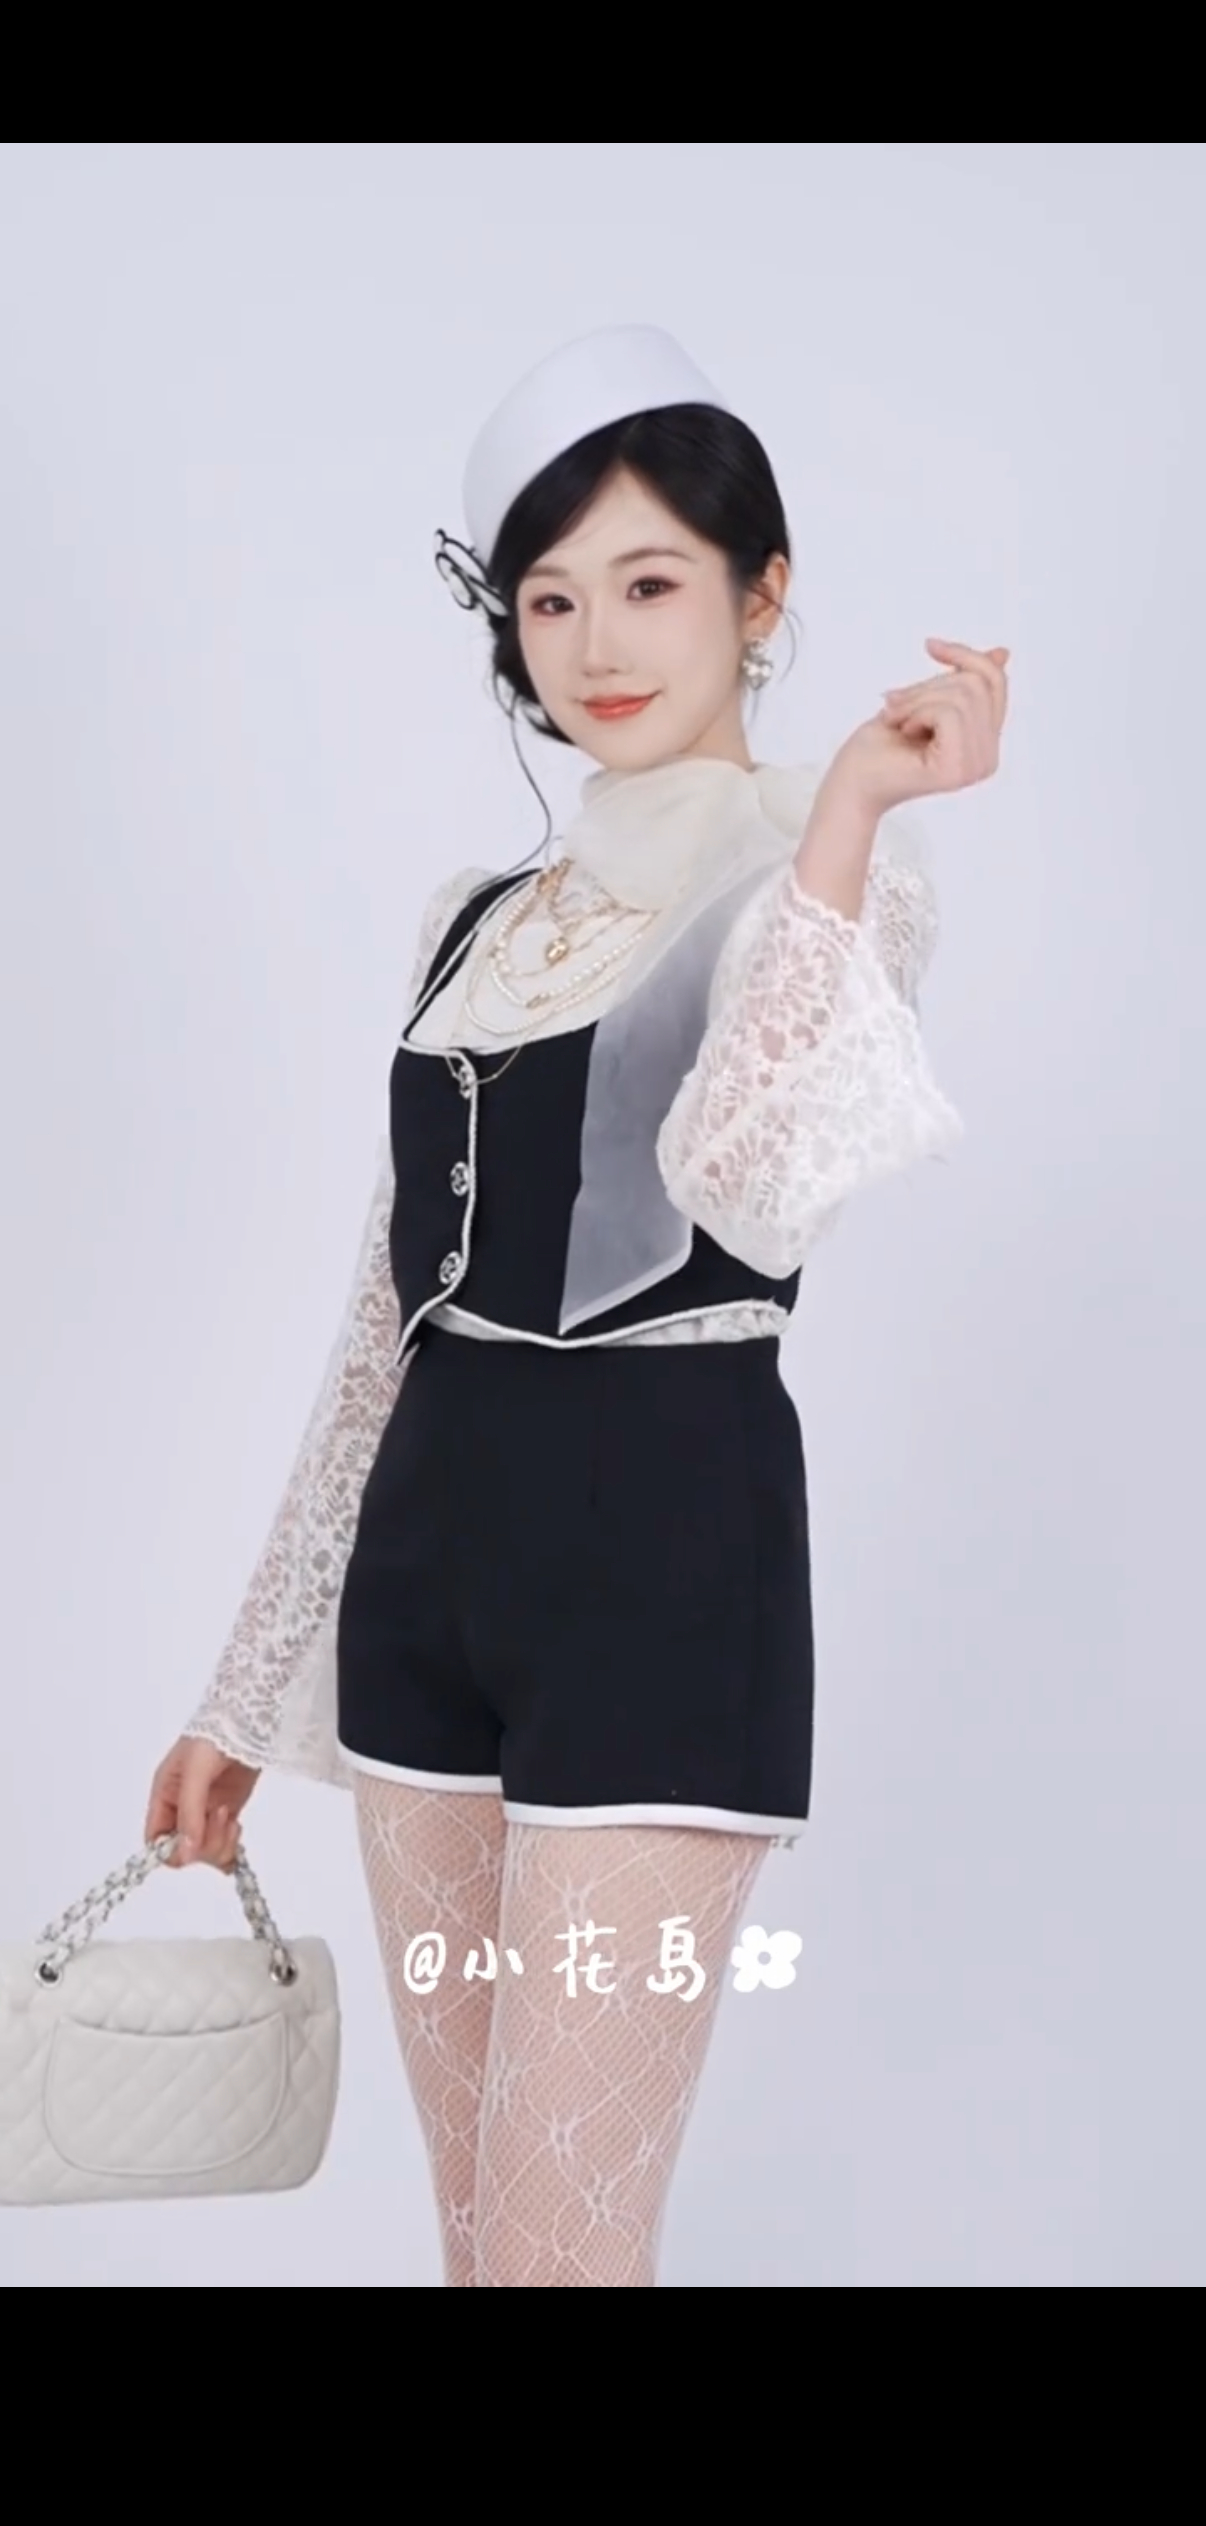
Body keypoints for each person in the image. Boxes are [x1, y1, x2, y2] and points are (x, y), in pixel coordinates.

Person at [145, 325, 1009, 2287]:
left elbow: (749, 1180)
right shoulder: (478, 919)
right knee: (481, 2251)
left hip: (663, 1581)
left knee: (561, 2254)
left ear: (759, 595)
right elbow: (384, 1324)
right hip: (423, 1604)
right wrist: (243, 1691)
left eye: (648, 583)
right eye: (550, 597)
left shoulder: (830, 890)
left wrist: (848, 815)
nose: (596, 643)